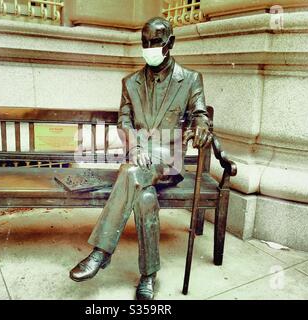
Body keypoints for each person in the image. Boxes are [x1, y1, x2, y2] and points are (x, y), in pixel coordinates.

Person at [69, 16, 212, 300]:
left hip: (167, 159)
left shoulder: (190, 78)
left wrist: (202, 127)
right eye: (144, 42)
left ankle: (101, 251)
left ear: (169, 43)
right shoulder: (130, 82)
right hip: (138, 157)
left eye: (155, 42)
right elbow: (124, 120)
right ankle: (149, 275)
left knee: (132, 174)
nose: (149, 47)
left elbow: (199, 113)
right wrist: (134, 147)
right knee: (144, 196)